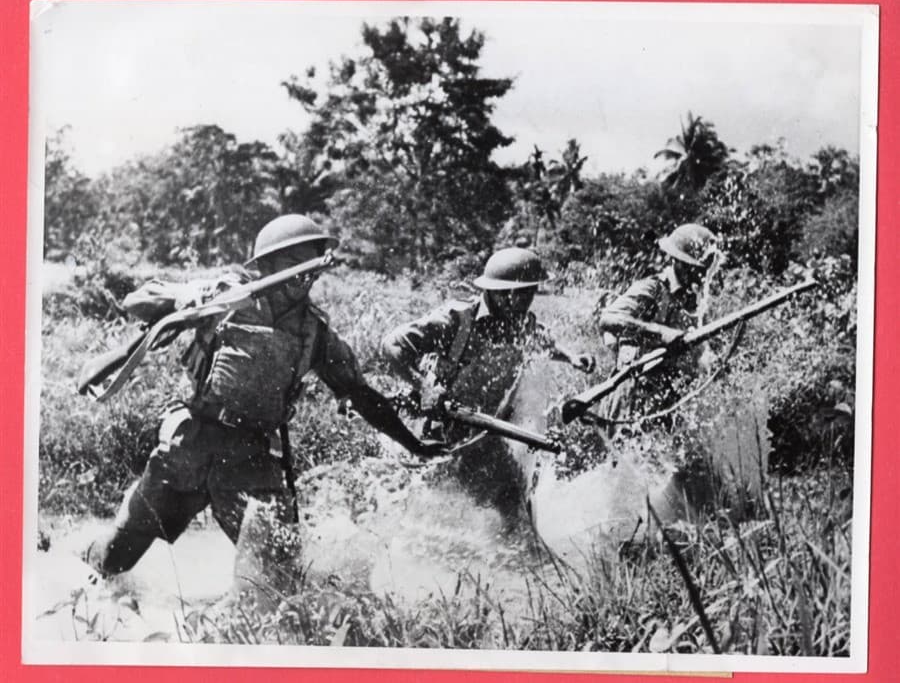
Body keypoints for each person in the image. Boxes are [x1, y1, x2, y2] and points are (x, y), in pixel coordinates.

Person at [84, 214, 442, 576]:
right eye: (293, 266)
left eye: (310, 269)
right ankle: (79, 564)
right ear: (266, 265)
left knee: (281, 579)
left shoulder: (314, 332)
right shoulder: (224, 298)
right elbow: (137, 300)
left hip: (250, 458)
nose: (303, 278)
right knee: (115, 560)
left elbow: (361, 395)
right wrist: (190, 298)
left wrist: (415, 445)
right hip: (188, 445)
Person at [381, 247, 595, 511]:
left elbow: (543, 342)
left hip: (486, 432)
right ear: (504, 294)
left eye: (531, 292)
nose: (528, 300)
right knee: (426, 505)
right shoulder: (455, 319)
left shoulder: (521, 323)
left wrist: (572, 357)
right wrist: (424, 387)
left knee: (510, 501)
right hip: (436, 430)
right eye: (524, 293)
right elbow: (392, 345)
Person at [597, 222, 720, 435]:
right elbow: (609, 318)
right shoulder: (652, 289)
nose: (703, 276)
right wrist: (660, 332)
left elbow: (699, 350)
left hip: (666, 402)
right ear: (680, 263)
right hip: (631, 399)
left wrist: (710, 361)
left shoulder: (694, 303)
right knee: (623, 463)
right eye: (698, 269)